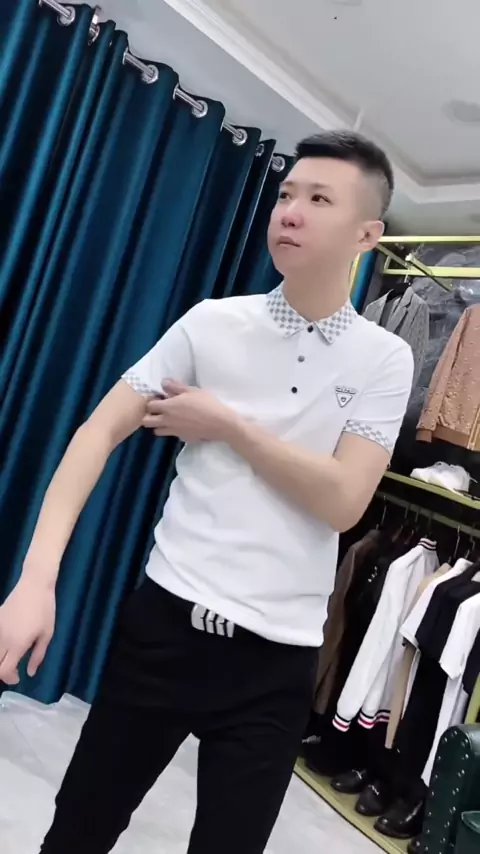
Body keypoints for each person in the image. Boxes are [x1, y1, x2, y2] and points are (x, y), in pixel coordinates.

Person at [0, 131, 414, 853]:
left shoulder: (385, 357)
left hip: (277, 660)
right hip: (165, 629)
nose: (290, 211)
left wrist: (227, 427)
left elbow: (345, 502)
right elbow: (96, 433)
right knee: (78, 832)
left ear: (366, 235)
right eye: (286, 194)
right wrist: (36, 580)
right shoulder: (212, 323)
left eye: (319, 199)